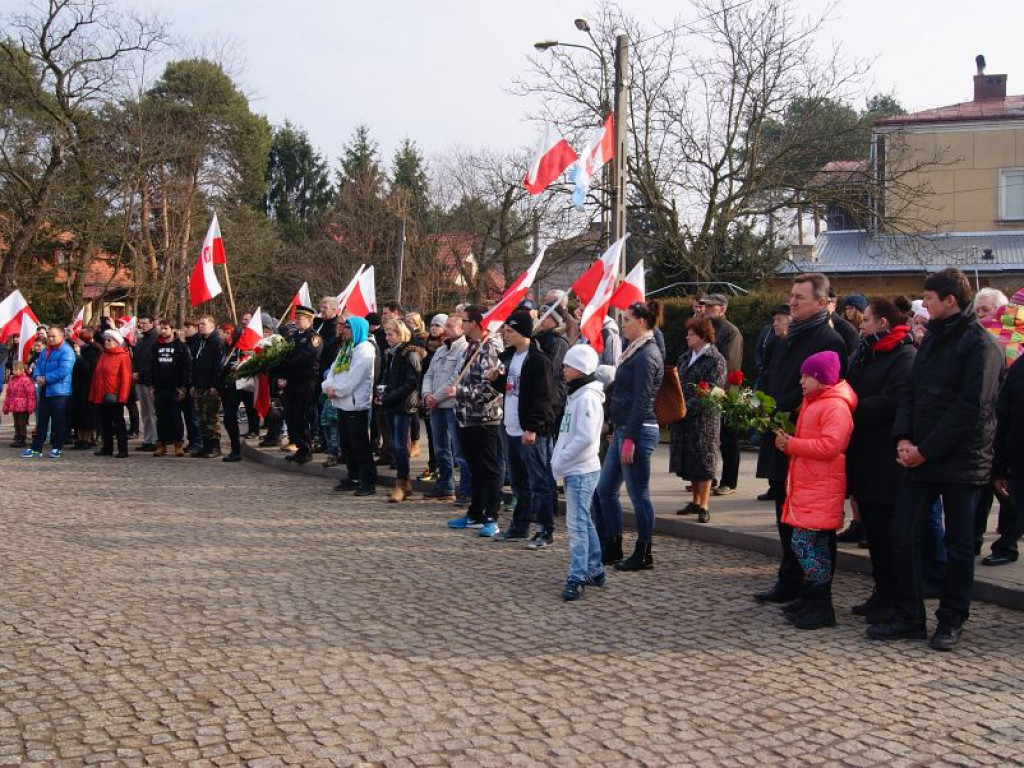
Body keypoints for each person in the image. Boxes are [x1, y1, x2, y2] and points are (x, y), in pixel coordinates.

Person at [869, 268, 1003, 651]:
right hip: (919, 457)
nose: (922, 305)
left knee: (960, 544)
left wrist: (925, 449)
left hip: (962, 460)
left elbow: (971, 408)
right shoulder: (930, 342)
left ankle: (951, 619)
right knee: (903, 534)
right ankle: (909, 615)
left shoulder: (980, 344)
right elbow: (910, 392)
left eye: (928, 298)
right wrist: (904, 438)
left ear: (950, 300)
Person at [754, 273, 847, 604]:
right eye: (791, 296)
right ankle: (789, 580)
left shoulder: (829, 340)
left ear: (821, 303)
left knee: (810, 524)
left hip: (804, 441)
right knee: (784, 511)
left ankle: (813, 591)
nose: (792, 302)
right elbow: (775, 377)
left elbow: (816, 388)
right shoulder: (787, 335)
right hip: (780, 435)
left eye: (800, 298)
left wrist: (779, 407)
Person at [773, 350, 857, 630]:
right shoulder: (815, 401)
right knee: (809, 543)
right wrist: (791, 442)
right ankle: (812, 599)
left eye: (806, 376)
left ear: (821, 379)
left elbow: (832, 445)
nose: (801, 381)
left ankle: (822, 604)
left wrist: (793, 445)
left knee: (805, 544)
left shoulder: (834, 406)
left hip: (822, 484)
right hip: (811, 482)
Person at [845, 297, 916, 624]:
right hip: (865, 456)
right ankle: (881, 591)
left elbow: (893, 400)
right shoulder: (869, 352)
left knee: (888, 534)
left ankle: (895, 598)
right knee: (873, 531)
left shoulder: (904, 355)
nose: (862, 325)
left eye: (868, 320)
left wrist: (850, 409)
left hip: (885, 459)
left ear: (883, 323)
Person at [594, 300, 665, 570]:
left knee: (638, 494)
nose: (622, 324)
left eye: (627, 320)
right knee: (605, 489)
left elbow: (643, 399)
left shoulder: (647, 354)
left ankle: (644, 551)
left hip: (639, 430)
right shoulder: (633, 351)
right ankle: (612, 545)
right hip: (625, 429)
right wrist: (616, 427)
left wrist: (631, 438)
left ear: (643, 322)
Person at [489, 310, 555, 546]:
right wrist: (494, 379)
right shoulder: (509, 358)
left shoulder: (538, 360)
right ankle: (520, 526)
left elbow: (543, 397)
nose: (505, 335)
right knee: (519, 484)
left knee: (539, 483)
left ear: (524, 333)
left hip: (530, 431)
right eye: (505, 330)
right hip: (511, 427)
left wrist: (533, 428)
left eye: (510, 331)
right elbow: (511, 389)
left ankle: (545, 530)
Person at [551, 345, 606, 601]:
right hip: (576, 468)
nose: (563, 369)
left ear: (581, 368)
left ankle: (578, 576)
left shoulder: (586, 398)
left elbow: (585, 438)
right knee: (584, 521)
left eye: (568, 365)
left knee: (576, 526)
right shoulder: (578, 395)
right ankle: (594, 569)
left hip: (580, 469)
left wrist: (562, 459)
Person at [447, 305, 504, 538]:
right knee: (475, 467)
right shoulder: (471, 347)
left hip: (485, 418)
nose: (463, 324)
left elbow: (490, 388)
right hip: (466, 417)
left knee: (488, 468)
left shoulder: (489, 348)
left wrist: (460, 392)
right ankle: (475, 513)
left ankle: (491, 515)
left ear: (477, 323)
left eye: (466, 321)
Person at [670, 317, 727, 524]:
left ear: (703, 336)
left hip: (704, 419)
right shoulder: (685, 357)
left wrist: (688, 407)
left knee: (704, 461)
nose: (687, 337)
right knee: (690, 461)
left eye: (691, 334)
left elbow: (713, 390)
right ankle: (695, 500)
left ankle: (704, 504)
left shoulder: (715, 359)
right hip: (684, 415)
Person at [323, 315, 377, 496]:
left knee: (360, 444)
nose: (343, 330)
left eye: (347, 327)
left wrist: (335, 390)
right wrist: (327, 386)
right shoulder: (346, 347)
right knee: (346, 443)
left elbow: (354, 378)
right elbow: (333, 370)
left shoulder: (365, 349)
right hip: (341, 402)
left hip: (355, 404)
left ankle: (367, 480)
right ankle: (353, 476)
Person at [698, 294, 743, 496]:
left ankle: (729, 481)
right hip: (707, 390)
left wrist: (716, 391)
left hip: (724, 392)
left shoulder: (731, 332)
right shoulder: (705, 328)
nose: (706, 309)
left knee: (728, 438)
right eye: (705, 305)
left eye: (711, 306)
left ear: (722, 309)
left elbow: (728, 364)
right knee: (709, 438)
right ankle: (708, 478)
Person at [421, 314, 469, 503]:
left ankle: (464, 490)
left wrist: (435, 397)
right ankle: (445, 484)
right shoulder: (441, 351)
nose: (446, 329)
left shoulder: (464, 350)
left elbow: (455, 378)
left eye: (450, 326)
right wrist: (426, 395)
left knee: (459, 450)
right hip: (436, 406)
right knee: (440, 448)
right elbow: (429, 375)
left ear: (461, 328)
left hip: (451, 405)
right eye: (445, 325)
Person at [380, 319, 425, 502]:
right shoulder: (392, 353)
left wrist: (391, 396)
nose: (387, 337)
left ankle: (403, 482)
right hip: (392, 402)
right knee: (395, 442)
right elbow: (389, 377)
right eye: (386, 334)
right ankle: (401, 481)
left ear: (401, 334)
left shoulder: (410, 353)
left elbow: (412, 381)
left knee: (400, 445)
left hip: (404, 404)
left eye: (390, 334)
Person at [277, 305, 323, 464]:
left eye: (300, 318)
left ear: (309, 320)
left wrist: (287, 363)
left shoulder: (314, 337)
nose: (296, 321)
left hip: (305, 382)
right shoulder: (294, 336)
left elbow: (307, 357)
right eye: (296, 318)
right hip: (292, 382)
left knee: (301, 416)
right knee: (291, 416)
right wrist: (281, 373)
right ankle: (298, 446)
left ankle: (306, 449)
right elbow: (284, 354)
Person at [23, 326, 75, 459]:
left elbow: (64, 370)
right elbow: (38, 366)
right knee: (42, 419)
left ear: (62, 336)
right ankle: (37, 448)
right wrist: (37, 377)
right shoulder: (45, 350)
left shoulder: (66, 351)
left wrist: (46, 379)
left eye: (53, 336)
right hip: (45, 389)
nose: (50, 339)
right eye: (49, 336)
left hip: (60, 391)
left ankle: (57, 447)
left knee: (58, 420)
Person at [992, 353, 1024, 565]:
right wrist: (999, 468)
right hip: (1019, 463)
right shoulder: (1020, 367)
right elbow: (1003, 416)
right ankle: (1007, 542)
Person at [150, 318, 191, 458]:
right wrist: (152, 385)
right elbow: (152, 366)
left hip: (175, 388)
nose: (163, 331)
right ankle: (161, 444)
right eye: (161, 328)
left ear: (172, 329)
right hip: (160, 388)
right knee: (161, 417)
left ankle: (178, 444)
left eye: (166, 328)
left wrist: (183, 387)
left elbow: (186, 368)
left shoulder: (180, 346)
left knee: (175, 417)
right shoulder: (155, 346)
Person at [89, 329, 132, 458]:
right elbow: (97, 376)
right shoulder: (103, 355)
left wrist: (123, 397)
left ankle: (122, 449)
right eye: (106, 340)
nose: (106, 342)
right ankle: (107, 447)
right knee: (104, 423)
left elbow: (126, 378)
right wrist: (93, 394)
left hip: (114, 395)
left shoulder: (123, 356)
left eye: (109, 340)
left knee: (118, 423)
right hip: (101, 394)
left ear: (116, 342)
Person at [189, 315, 226, 459]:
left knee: (211, 418)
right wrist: (192, 384)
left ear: (212, 325)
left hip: (211, 387)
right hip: (198, 385)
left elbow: (219, 365)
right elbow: (194, 363)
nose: (200, 326)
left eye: (203, 324)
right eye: (199, 324)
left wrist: (215, 385)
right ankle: (206, 446)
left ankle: (215, 447)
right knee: (201, 418)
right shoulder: (198, 341)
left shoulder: (217, 342)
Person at [415, 313, 447, 480]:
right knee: (430, 433)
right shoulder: (425, 347)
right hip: (426, 395)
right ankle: (433, 465)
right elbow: (425, 373)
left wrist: (435, 395)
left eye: (438, 325)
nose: (434, 328)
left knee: (441, 437)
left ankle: (440, 468)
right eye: (432, 325)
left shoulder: (445, 348)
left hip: (441, 397)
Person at [68, 329, 101, 449]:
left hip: (87, 387)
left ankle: (86, 439)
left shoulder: (92, 351)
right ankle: (80, 438)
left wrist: (79, 356)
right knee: (78, 414)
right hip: (78, 387)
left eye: (78, 339)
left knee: (86, 415)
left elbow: (88, 368)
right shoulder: (83, 350)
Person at [132, 314, 158, 451]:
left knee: (153, 412)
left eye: (144, 323)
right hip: (140, 380)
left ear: (152, 323)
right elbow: (136, 358)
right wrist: (134, 371)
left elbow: (152, 361)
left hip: (150, 381)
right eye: (140, 323)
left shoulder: (156, 339)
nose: (141, 325)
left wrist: (140, 373)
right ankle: (147, 439)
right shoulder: (141, 340)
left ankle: (155, 439)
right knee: (145, 413)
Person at [3, 360, 35, 447]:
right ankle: (17, 437)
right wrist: (6, 406)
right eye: (14, 369)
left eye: (17, 369)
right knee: (16, 423)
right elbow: (8, 394)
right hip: (14, 406)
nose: (14, 371)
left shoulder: (26, 380)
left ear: (22, 370)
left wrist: (30, 407)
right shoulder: (12, 380)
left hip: (23, 406)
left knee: (22, 423)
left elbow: (30, 394)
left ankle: (22, 438)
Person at [828, 287, 860, 355]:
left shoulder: (847, 329)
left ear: (834, 304)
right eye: (846, 309)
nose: (848, 311)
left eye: (827, 302)